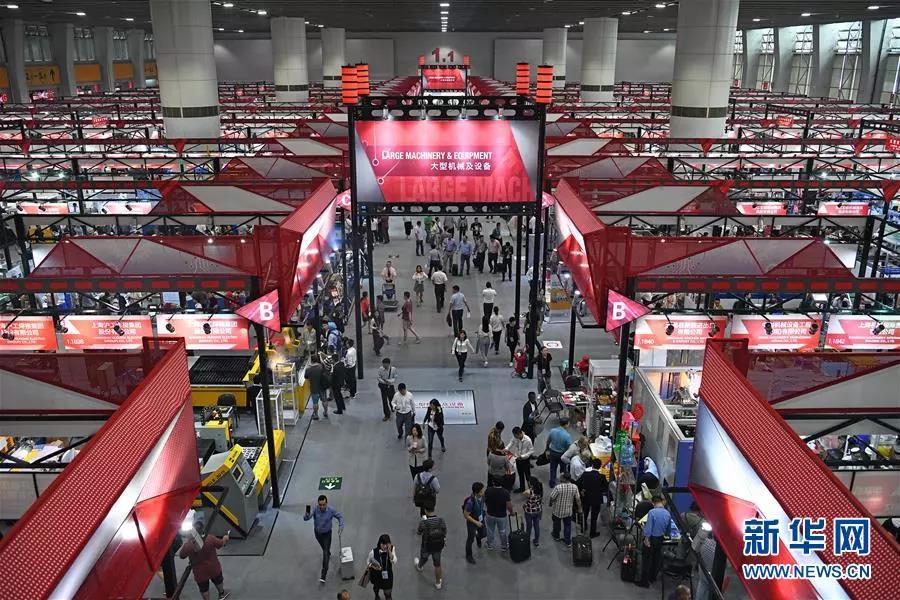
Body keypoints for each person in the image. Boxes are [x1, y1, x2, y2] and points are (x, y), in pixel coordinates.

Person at [179, 522, 230, 600]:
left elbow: (182, 556)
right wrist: (225, 538)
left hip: (199, 572)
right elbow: (220, 544)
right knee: (218, 580)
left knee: (203, 589)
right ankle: (221, 594)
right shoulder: (210, 538)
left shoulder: (188, 545)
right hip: (213, 567)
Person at [303, 494, 345, 583]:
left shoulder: (331, 510)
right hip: (318, 534)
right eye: (320, 505)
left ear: (327, 503)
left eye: (323, 505)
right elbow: (306, 518)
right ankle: (328, 553)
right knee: (325, 549)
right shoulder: (315, 509)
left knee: (325, 552)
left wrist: (341, 526)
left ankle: (323, 574)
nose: (322, 507)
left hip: (327, 534)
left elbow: (340, 516)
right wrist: (306, 515)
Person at [638, 495, 673, 588]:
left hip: (651, 538)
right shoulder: (668, 513)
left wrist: (646, 538)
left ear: (653, 503)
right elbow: (668, 530)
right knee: (656, 559)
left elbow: (649, 529)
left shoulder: (652, 512)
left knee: (646, 559)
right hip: (660, 539)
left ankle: (644, 582)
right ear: (661, 502)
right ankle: (652, 577)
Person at [414, 499, 447, 590]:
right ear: (434, 509)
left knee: (424, 557)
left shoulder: (423, 523)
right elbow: (444, 531)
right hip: (438, 545)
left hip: (427, 545)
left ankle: (420, 566)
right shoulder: (441, 520)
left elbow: (419, 532)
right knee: (437, 564)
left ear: (425, 510)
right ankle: (438, 583)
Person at [578, 457, 609, 538]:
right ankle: (592, 533)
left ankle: (583, 528)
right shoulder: (602, 477)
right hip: (596, 499)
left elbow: (578, 483)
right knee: (594, 517)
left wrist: (582, 490)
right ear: (600, 466)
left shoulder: (585, 474)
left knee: (585, 513)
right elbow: (605, 488)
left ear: (592, 465)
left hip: (586, 497)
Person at [549, 473, 582, 547]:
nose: (560, 478)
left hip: (557, 511)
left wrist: (550, 503)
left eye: (561, 477)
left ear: (564, 478)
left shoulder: (558, 487)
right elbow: (578, 499)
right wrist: (580, 509)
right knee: (567, 526)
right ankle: (568, 541)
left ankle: (556, 536)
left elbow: (552, 497)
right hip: (568, 511)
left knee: (556, 525)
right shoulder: (574, 487)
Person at [483, 479, 513, 552]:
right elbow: (509, 505)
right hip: (501, 515)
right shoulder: (505, 492)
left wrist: (487, 506)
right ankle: (504, 546)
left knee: (490, 530)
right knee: (502, 531)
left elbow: (484, 499)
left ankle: (490, 545)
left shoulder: (488, 490)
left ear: (493, 482)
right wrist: (511, 512)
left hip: (490, 514)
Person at [367, 534, 397, 600]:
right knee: (376, 588)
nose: (385, 546)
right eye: (383, 544)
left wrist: (389, 551)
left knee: (388, 594)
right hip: (377, 575)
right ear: (380, 543)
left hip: (388, 576)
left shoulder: (392, 549)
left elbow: (394, 561)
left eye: (387, 544)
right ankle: (377, 596)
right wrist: (373, 567)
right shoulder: (373, 552)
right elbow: (368, 562)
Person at [463, 482, 486, 564]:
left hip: (480, 518)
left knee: (484, 533)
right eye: (481, 491)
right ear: (476, 493)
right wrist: (476, 522)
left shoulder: (482, 497)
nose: (483, 492)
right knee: (470, 539)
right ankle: (469, 555)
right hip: (472, 522)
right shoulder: (470, 502)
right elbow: (466, 515)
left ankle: (478, 536)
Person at [546, 418, 573, 488]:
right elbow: (569, 447)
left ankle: (552, 483)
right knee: (563, 468)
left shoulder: (552, 431)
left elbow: (548, 441)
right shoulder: (567, 435)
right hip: (562, 454)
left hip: (553, 453)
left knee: (553, 468)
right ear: (566, 424)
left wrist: (547, 449)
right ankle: (563, 482)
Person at [508, 427, 534, 493]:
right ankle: (522, 488)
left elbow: (531, 450)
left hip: (525, 461)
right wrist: (506, 449)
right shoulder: (515, 438)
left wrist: (523, 456)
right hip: (518, 459)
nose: (514, 437)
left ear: (519, 434)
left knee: (528, 476)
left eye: (515, 436)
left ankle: (531, 490)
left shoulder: (528, 440)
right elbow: (511, 442)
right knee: (520, 475)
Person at [522, 476, 543, 547]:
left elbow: (524, 494)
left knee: (529, 526)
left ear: (531, 484)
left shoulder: (529, 491)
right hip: (538, 510)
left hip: (529, 511)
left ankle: (527, 540)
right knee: (536, 526)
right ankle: (536, 541)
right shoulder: (540, 489)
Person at [377, 358, 397, 422]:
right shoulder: (380, 369)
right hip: (383, 387)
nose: (383, 365)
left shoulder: (393, 369)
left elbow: (395, 377)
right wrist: (384, 382)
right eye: (383, 364)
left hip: (390, 386)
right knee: (384, 401)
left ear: (388, 364)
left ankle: (392, 407)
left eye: (385, 364)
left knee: (392, 399)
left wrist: (389, 381)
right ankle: (387, 415)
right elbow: (378, 377)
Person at [306, 355, 325, 421]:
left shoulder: (308, 368)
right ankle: (325, 412)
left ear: (311, 360)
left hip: (314, 387)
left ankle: (316, 415)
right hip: (322, 386)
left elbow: (306, 376)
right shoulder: (321, 366)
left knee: (315, 402)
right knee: (324, 400)